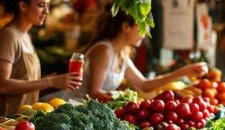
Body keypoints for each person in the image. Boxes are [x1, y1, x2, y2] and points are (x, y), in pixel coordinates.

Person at [51, 7, 207, 101]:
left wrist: (184, 72)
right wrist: (124, 97)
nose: (145, 34)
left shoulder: (122, 54)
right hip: (72, 107)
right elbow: (94, 92)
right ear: (125, 27)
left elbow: (144, 85)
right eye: (141, 28)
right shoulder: (104, 50)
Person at [0, 0, 82, 117]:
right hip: (4, 122)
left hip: (24, 121)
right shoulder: (9, 36)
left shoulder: (25, 36)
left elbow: (26, 80)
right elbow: (3, 85)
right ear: (23, 6)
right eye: (41, 5)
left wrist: (57, 80)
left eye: (47, 6)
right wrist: (50, 81)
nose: (47, 11)